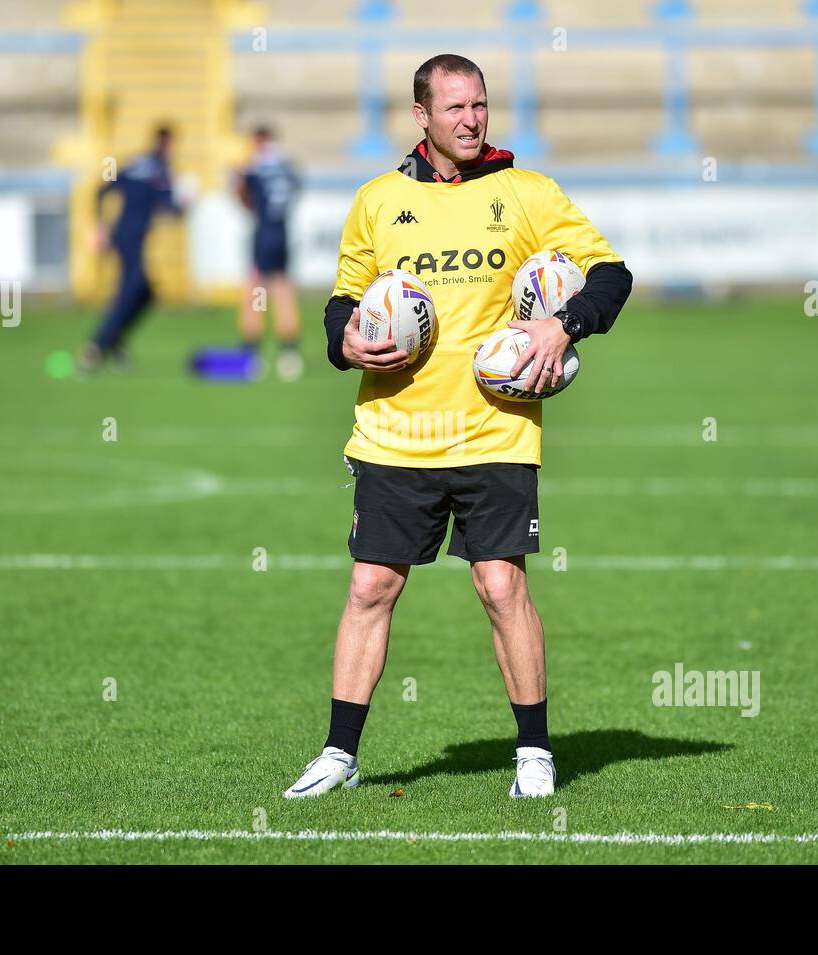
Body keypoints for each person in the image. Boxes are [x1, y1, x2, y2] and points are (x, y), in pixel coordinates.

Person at [284, 54, 633, 799]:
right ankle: (340, 754)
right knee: (371, 585)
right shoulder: (377, 200)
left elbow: (610, 273)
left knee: (501, 585)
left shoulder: (527, 192)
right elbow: (344, 301)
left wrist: (562, 328)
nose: (472, 120)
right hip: (393, 430)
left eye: (480, 105)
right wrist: (343, 341)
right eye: (455, 109)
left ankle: (534, 753)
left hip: (495, 429)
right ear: (421, 116)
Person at [79, 126, 185, 371]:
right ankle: (95, 347)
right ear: (167, 144)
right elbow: (170, 207)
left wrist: (101, 226)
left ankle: (114, 341)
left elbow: (101, 190)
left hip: (122, 236)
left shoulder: (134, 163)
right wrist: (186, 202)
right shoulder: (161, 170)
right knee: (130, 291)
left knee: (145, 293)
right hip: (133, 240)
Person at [238, 126, 304, 381]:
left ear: (259, 140)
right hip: (282, 232)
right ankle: (289, 353)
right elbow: (296, 188)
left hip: (264, 232)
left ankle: (252, 353)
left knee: (254, 290)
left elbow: (243, 194)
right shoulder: (287, 165)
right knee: (283, 288)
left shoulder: (255, 164)